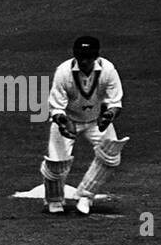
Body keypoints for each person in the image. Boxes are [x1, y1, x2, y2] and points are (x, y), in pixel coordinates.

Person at [41, 35, 126, 215]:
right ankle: (54, 200)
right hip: (69, 119)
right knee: (56, 163)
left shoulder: (108, 69)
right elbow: (56, 106)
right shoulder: (63, 71)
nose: (84, 61)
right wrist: (63, 122)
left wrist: (109, 116)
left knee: (111, 155)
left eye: (88, 57)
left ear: (96, 56)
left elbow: (115, 102)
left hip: (96, 121)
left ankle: (86, 196)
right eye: (81, 56)